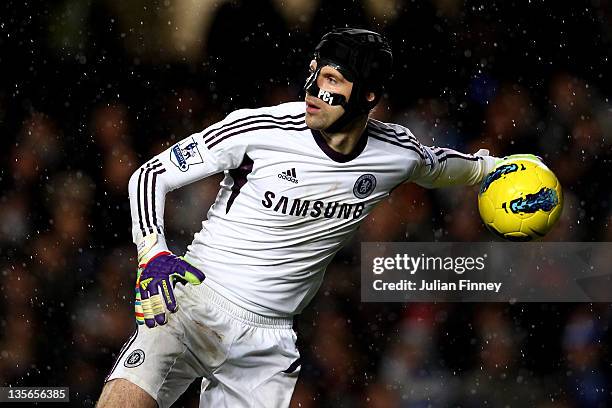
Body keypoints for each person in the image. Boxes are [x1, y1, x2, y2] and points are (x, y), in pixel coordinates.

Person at [97, 28, 500, 408]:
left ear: (369, 96)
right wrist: (152, 252)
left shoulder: (397, 154)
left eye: (331, 80)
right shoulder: (261, 128)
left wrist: (500, 168)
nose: (313, 90)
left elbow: (453, 167)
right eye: (313, 74)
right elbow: (151, 175)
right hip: (193, 301)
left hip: (267, 344)